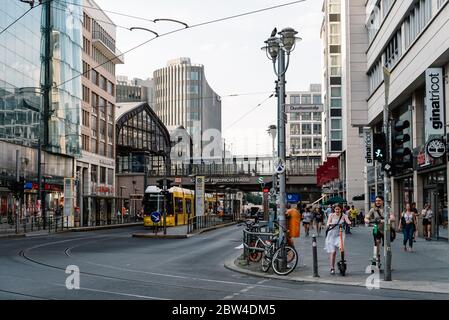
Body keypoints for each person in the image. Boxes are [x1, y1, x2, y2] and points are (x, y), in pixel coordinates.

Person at [365, 196, 396, 262]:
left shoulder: (387, 208)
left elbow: (393, 218)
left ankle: (388, 262)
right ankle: (376, 257)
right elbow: (367, 217)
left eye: (379, 200)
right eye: (376, 201)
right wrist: (366, 219)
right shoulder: (373, 209)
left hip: (386, 229)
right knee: (377, 242)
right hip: (376, 228)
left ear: (382, 201)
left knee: (387, 246)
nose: (377, 202)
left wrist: (384, 220)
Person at [324, 204, 351, 275]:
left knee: (342, 249)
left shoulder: (344, 215)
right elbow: (328, 223)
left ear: (341, 209)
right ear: (334, 210)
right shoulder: (331, 215)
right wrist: (331, 224)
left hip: (340, 234)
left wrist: (348, 223)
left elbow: (348, 222)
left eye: (338, 209)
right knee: (333, 252)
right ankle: (332, 268)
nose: (337, 210)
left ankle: (342, 261)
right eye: (336, 209)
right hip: (332, 234)